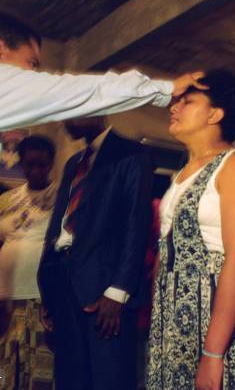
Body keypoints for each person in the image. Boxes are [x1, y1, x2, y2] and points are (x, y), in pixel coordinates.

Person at [0, 10, 204, 369]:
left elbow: (133, 227)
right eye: (30, 63)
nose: (33, 75)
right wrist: (164, 88)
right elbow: (73, 91)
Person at [146, 69, 235, 389]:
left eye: (187, 101)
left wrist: (213, 353)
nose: (173, 107)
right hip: (174, 315)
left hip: (216, 314)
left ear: (215, 114)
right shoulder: (180, 176)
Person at [36, 116, 153, 390]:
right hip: (61, 283)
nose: (65, 119)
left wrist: (118, 291)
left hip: (104, 292)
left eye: (75, 109)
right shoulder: (73, 163)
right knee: (70, 377)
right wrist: (49, 289)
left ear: (99, 109)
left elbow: (136, 226)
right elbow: (59, 224)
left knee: (107, 379)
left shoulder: (132, 154)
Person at [0, 135, 57, 389]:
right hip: (5, 300)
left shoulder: (60, 197)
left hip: (40, 300)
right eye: (30, 164)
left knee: (38, 375)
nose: (36, 170)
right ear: (22, 163)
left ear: (51, 164)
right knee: (0, 373)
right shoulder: (5, 200)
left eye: (42, 165)